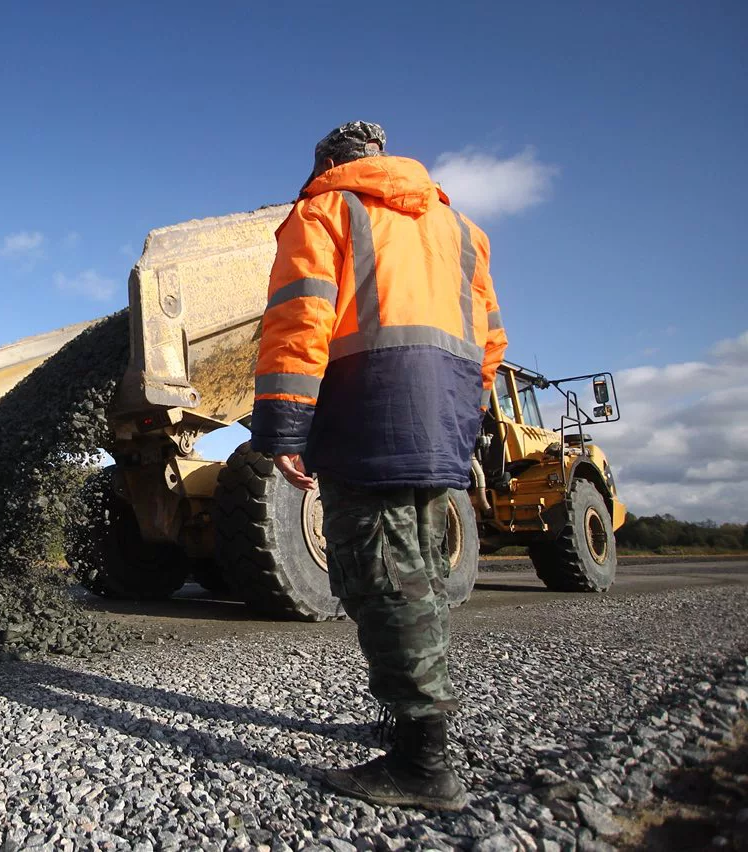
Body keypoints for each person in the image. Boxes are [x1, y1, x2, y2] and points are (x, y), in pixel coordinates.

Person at [250, 121, 508, 811]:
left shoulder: (326, 210)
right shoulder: (461, 232)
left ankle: (423, 764)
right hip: (439, 418)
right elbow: (492, 342)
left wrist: (283, 424)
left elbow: (300, 321)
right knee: (418, 574)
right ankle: (414, 718)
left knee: (383, 582)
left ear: (330, 163)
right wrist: (457, 413)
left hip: (367, 412)